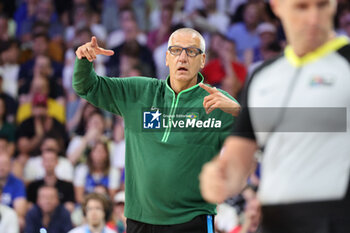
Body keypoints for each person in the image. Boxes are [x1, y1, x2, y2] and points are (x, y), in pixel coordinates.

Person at [199, 0, 350, 232]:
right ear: (277, 6)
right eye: (302, 7)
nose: (313, 18)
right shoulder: (261, 76)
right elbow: (237, 163)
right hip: (272, 222)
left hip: (335, 219)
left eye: (322, 5)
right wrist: (218, 176)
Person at [73, 27, 240, 232]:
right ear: (166, 58)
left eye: (191, 52)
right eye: (176, 50)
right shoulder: (139, 92)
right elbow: (87, 87)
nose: (183, 58)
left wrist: (238, 112)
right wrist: (84, 61)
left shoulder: (218, 103)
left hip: (192, 220)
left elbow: (274, 131)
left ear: (203, 60)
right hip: (140, 219)